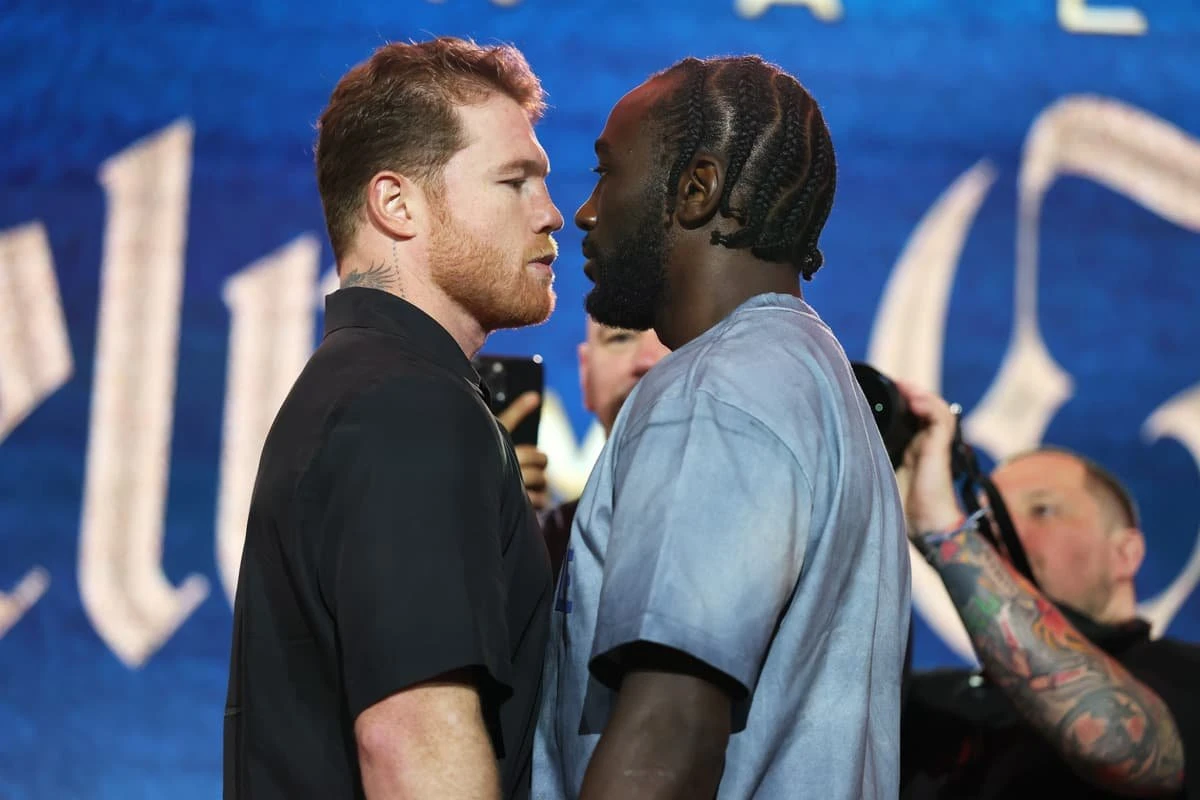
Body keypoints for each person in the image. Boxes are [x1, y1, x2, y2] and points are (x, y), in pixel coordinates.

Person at [534, 55, 911, 799]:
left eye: (606, 174)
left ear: (696, 190)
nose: (585, 212)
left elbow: (667, 738)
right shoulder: (808, 371)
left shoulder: (714, 389)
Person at [223, 37, 564, 800]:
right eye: (514, 181)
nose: (552, 214)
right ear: (396, 203)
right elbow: (414, 750)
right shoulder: (408, 407)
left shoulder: (362, 389)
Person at [895, 382, 1200, 798]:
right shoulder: (935, 705)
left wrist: (944, 533)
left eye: (1042, 510)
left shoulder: (1182, 677)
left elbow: (1119, 746)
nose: (1002, 532)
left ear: (1126, 553)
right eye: (986, 518)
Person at [500, 317, 670, 580]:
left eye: (674, 337)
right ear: (585, 374)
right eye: (621, 337)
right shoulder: (532, 550)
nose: (647, 361)